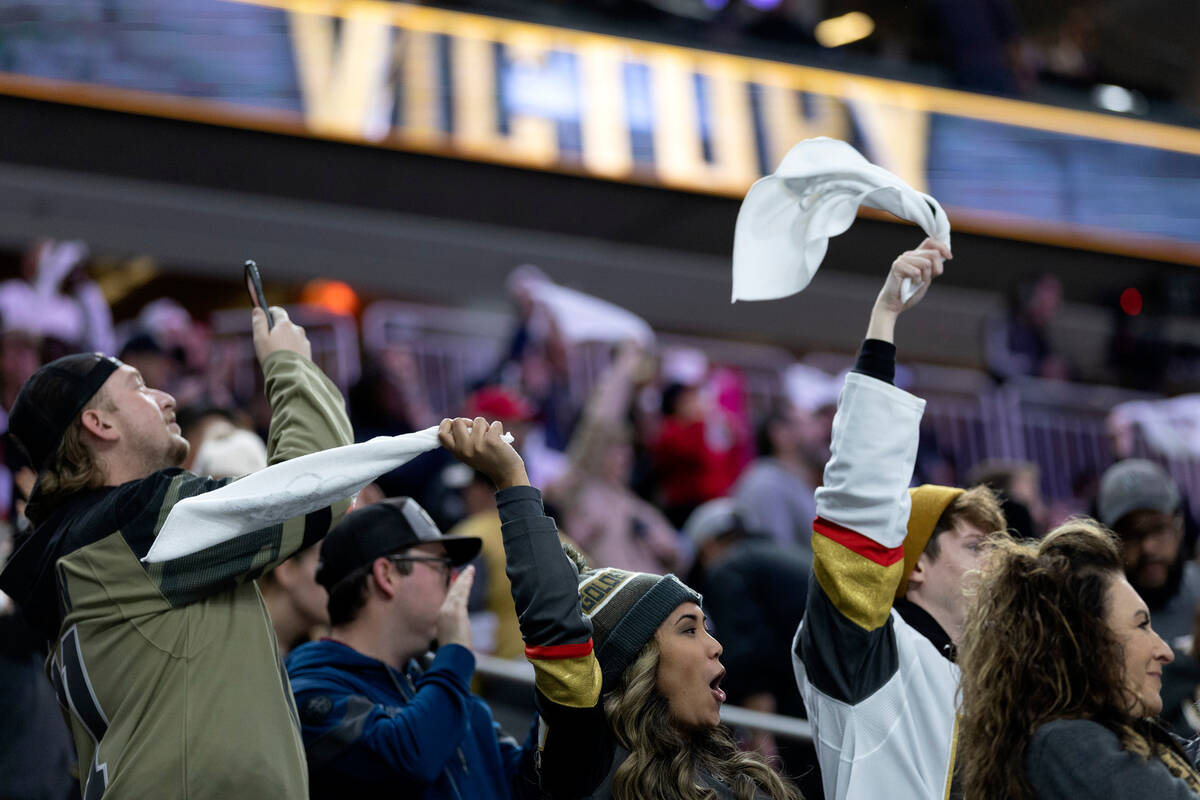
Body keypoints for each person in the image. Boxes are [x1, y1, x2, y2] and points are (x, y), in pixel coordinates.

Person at [0, 306, 355, 799]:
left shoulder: (80, 550)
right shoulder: (138, 523)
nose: (167, 397)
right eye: (139, 388)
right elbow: (319, 486)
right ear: (98, 422)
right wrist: (290, 365)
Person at [438, 416, 799, 800]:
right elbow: (559, 632)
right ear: (635, 662)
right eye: (689, 629)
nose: (715, 646)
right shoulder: (587, 765)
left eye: (705, 629)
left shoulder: (735, 780)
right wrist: (512, 478)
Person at [792, 239, 1008, 799]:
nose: (1000, 562)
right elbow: (858, 502)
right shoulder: (869, 656)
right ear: (913, 568)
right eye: (976, 547)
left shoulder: (1000, 691)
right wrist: (883, 318)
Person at [285, 496, 546, 799]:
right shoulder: (308, 692)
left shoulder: (442, 688)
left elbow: (528, 785)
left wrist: (563, 693)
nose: (456, 579)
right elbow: (408, 760)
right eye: (442, 565)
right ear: (387, 576)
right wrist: (455, 652)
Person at [957, 520, 1200, 798]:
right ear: (1086, 642)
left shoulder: (1090, 736)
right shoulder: (1067, 745)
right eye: (1141, 625)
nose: (1165, 651)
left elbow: (1187, 766)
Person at [1098, 458, 1200, 643]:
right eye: (1131, 535)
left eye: (1159, 528)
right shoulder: (1098, 618)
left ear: (1180, 527)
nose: (1148, 547)